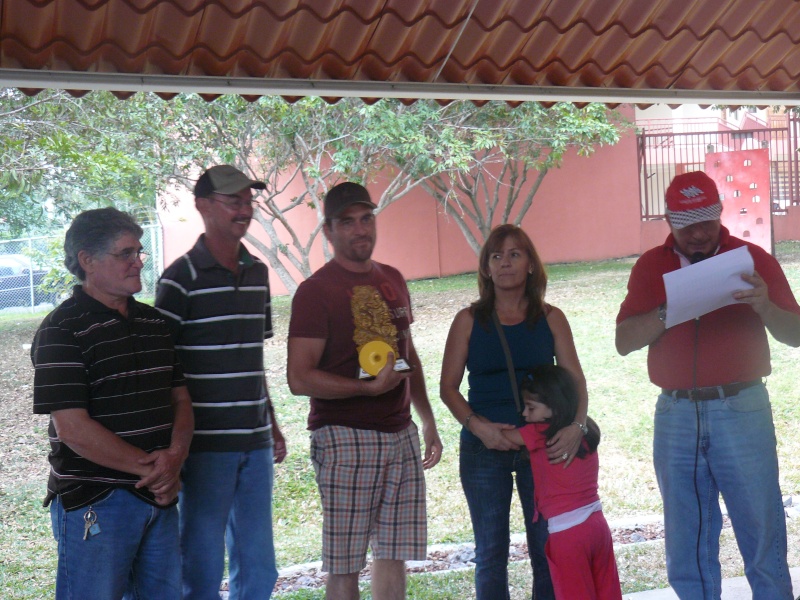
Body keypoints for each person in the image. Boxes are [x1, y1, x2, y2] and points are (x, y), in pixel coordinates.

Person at [615, 170, 800, 600]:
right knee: (687, 532)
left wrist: (765, 306)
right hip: (676, 412)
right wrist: (666, 311)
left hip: (742, 408)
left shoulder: (752, 259)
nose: (698, 234)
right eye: (686, 225)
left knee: (761, 524)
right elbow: (624, 341)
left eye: (706, 222)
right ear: (668, 221)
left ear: (719, 214)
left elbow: (796, 333)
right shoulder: (650, 265)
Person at [286, 181, 443, 600]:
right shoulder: (315, 291)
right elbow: (299, 378)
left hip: (400, 432)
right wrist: (367, 390)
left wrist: (427, 420)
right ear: (329, 231)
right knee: (345, 564)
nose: (360, 230)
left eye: (366, 219)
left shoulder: (391, 278)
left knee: (393, 557)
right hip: (344, 437)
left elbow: (408, 356)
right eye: (348, 222)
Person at [31, 207, 194, 600]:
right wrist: (155, 471)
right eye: (126, 253)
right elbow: (72, 429)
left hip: (159, 498)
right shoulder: (61, 329)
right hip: (98, 500)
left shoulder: (155, 323)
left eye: (139, 252)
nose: (139, 261)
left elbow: (182, 401)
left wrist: (174, 459)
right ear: (87, 260)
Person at [155, 165, 287, 599]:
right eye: (234, 201)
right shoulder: (179, 280)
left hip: (256, 443)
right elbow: (164, 368)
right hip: (205, 447)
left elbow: (252, 358)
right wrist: (175, 445)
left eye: (249, 202)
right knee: (202, 567)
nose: (244, 210)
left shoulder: (258, 273)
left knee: (259, 566)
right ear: (203, 206)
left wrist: (271, 421)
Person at [439, 223, 589, 600]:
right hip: (483, 448)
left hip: (541, 446)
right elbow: (448, 388)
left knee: (545, 547)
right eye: (496, 256)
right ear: (486, 269)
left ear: (531, 266)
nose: (505, 263)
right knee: (490, 552)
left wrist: (575, 426)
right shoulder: (468, 320)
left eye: (514, 255)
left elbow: (576, 382)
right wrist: (479, 428)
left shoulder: (551, 317)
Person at [502, 364, 621, 600]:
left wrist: (484, 426)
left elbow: (501, 439)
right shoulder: (585, 431)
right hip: (597, 525)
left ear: (553, 407)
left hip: (567, 533)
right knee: (606, 592)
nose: (525, 414)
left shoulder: (539, 432)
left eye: (531, 407)